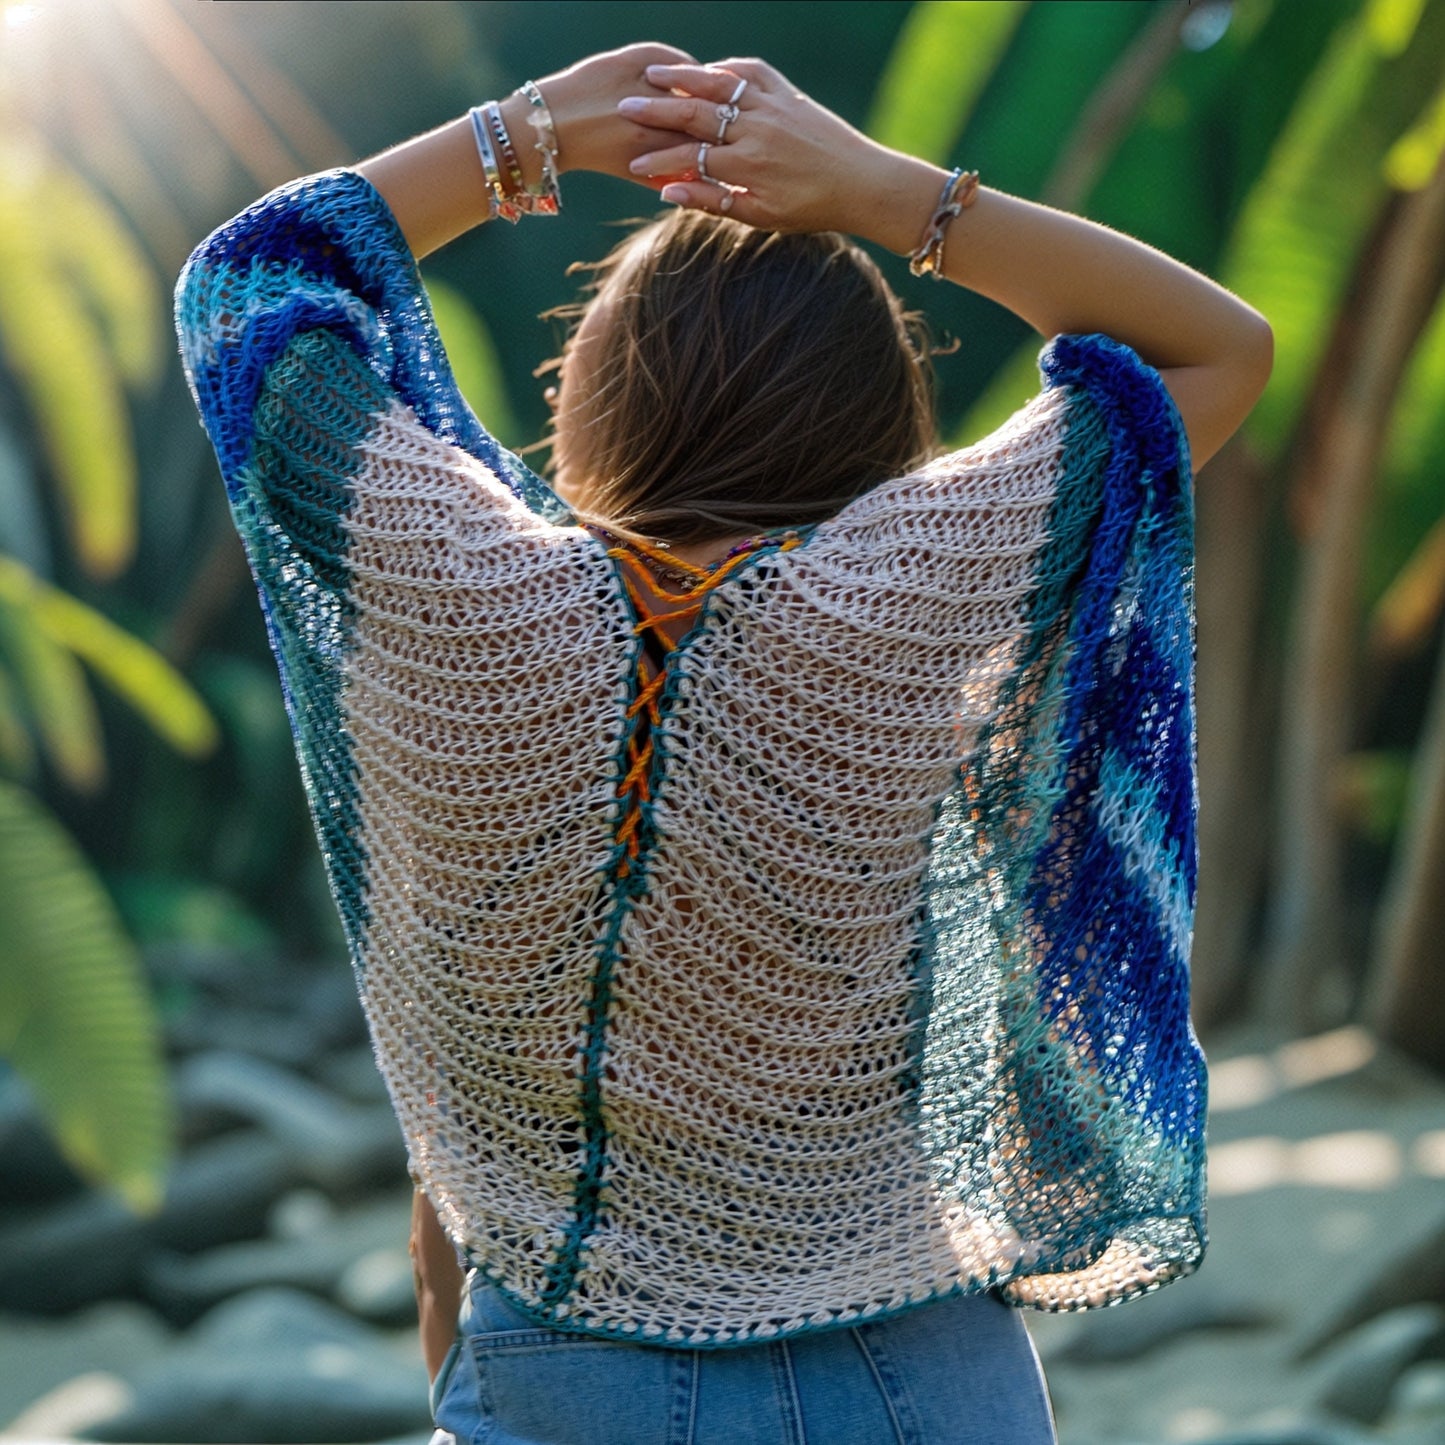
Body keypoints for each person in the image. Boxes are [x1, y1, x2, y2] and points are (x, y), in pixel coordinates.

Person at [176, 41, 1271, 1445]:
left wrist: (529, 135)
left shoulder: (436, 567)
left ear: (590, 392)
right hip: (917, 1377)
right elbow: (1214, 344)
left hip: (558, 1362)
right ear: (881, 410)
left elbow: (250, 285)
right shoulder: (918, 580)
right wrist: (890, 193)